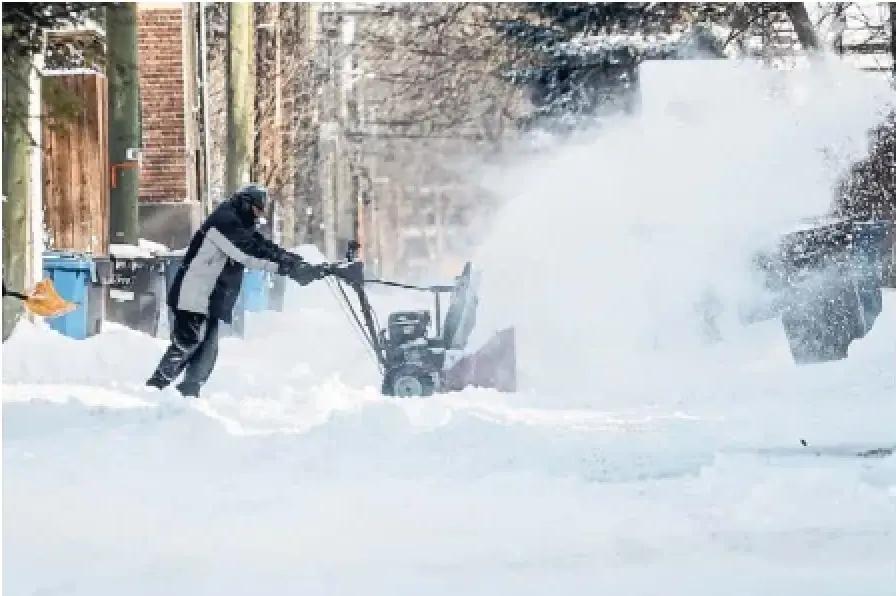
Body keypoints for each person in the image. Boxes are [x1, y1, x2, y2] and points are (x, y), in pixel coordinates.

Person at [146, 183, 325, 398]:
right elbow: (248, 253)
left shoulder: (237, 224)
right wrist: (288, 268)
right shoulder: (224, 223)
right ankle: (155, 388)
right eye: (256, 210)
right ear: (245, 203)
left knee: (207, 351)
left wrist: (295, 262)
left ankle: (188, 394)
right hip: (192, 294)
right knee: (188, 343)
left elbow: (263, 246)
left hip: (208, 298)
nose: (258, 216)